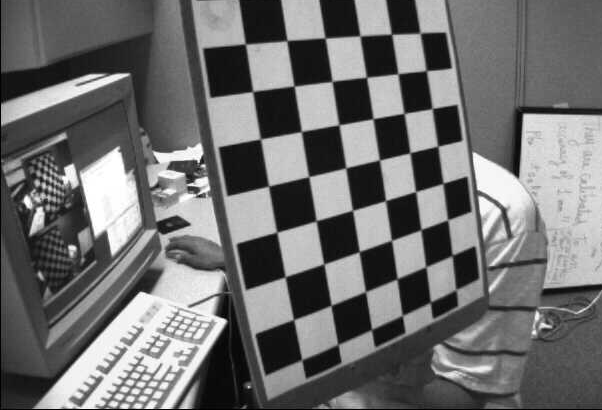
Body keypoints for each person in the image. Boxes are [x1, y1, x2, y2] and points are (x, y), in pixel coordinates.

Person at [166, 153, 548, 409]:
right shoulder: (336, 177)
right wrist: (238, 265)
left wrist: (345, 356)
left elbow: (467, 396)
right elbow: (314, 275)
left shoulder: (497, 216)